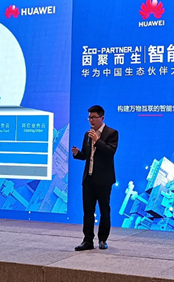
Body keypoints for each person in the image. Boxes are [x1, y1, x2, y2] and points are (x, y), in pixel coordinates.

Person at [72, 105, 118, 251]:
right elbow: (86, 155)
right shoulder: (88, 134)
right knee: (88, 211)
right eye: (89, 118)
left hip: (104, 180)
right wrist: (77, 154)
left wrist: (97, 140)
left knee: (104, 210)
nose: (91, 120)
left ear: (102, 118)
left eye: (94, 117)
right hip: (89, 179)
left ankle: (103, 239)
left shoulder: (112, 133)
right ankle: (87, 240)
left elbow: (110, 152)